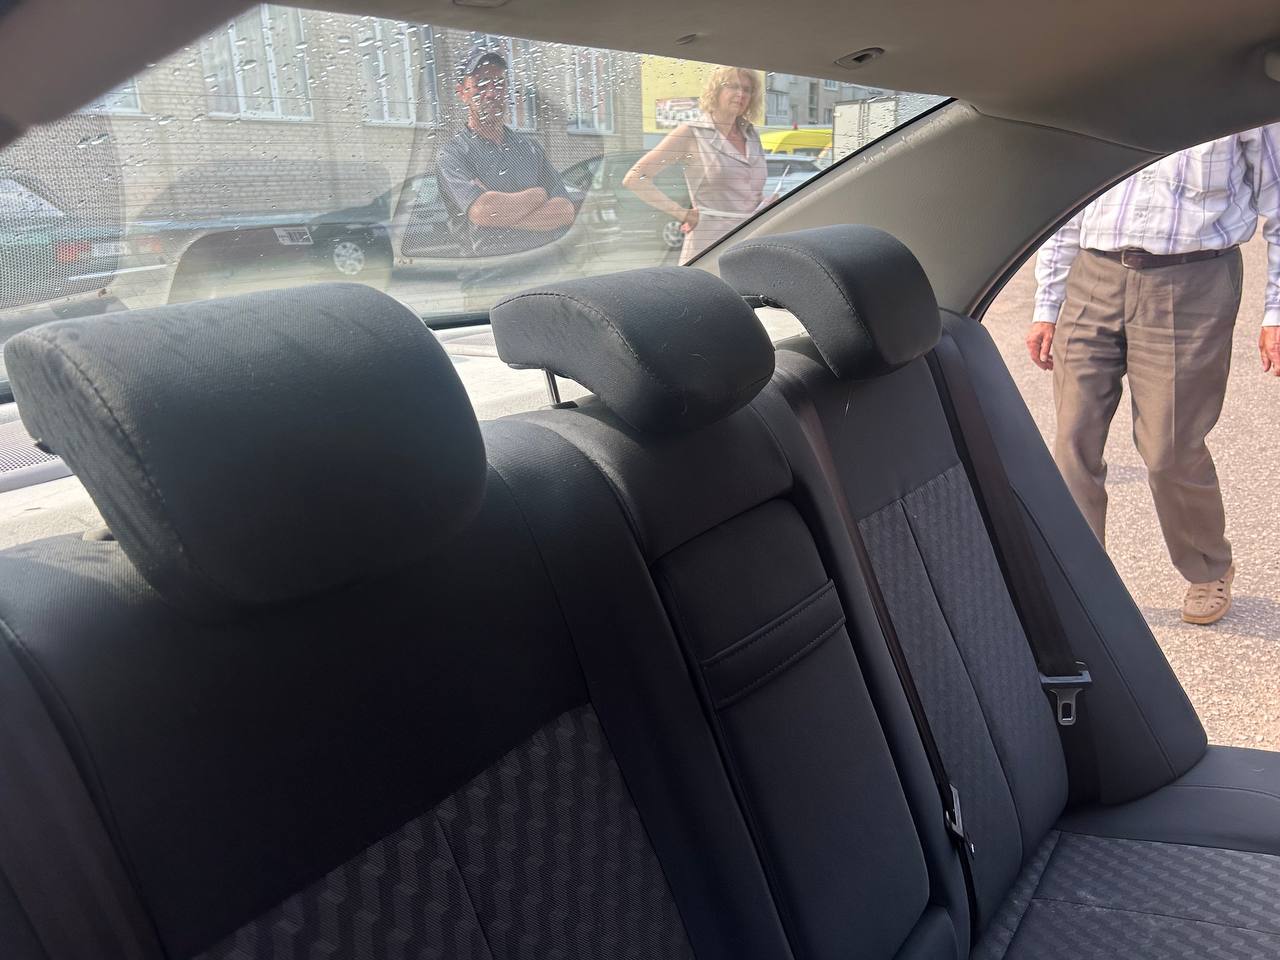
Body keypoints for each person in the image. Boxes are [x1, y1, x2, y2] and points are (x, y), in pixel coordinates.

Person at [1028, 125, 1280, 625]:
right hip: (1093, 276)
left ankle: (1208, 567)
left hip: (1192, 282)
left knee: (1169, 448)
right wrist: (1047, 304)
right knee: (1072, 440)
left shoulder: (1241, 105)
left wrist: (1276, 310)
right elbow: (1066, 205)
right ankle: (1081, 577)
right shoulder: (1104, 99)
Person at [437, 46, 576, 306]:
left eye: (499, 84)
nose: (492, 92)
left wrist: (504, 212)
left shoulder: (529, 148)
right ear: (462, 92)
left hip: (544, 283)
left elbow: (565, 211)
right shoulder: (452, 154)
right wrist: (538, 195)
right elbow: (483, 211)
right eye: (481, 83)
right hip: (488, 291)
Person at [622, 65, 767, 263]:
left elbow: (747, 189)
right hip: (709, 246)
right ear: (716, 90)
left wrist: (766, 204)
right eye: (733, 86)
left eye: (747, 89)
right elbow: (635, 178)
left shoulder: (751, 134)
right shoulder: (692, 133)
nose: (740, 94)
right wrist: (682, 214)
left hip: (751, 242)